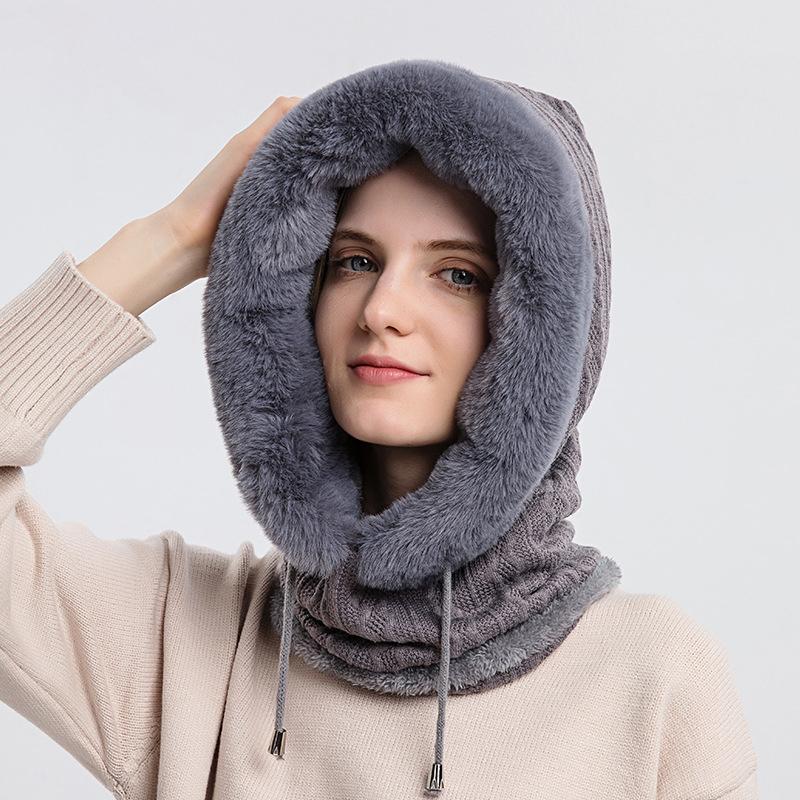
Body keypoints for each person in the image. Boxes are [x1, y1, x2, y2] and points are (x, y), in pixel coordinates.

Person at [0, 60, 758, 799]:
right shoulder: (185, 641)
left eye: (458, 273)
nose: (381, 309)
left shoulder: (654, 678)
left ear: (548, 331)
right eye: (355, 261)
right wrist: (169, 238)